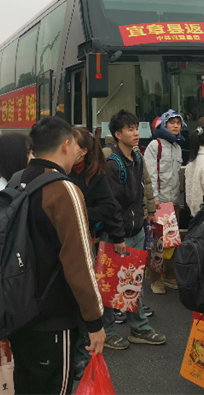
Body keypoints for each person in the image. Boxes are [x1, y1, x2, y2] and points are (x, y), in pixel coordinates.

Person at [10, 117, 105, 395]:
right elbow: (79, 262)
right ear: (65, 145)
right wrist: (94, 321)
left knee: (25, 384)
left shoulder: (17, 180)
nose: (78, 150)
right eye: (76, 144)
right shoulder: (64, 189)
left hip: (17, 310)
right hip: (53, 317)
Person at [103, 110, 167, 348]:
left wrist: (147, 214)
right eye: (129, 129)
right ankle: (108, 332)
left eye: (136, 128)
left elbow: (141, 190)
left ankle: (139, 328)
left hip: (136, 229)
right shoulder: (113, 163)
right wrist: (117, 235)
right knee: (110, 283)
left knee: (133, 282)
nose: (136, 133)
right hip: (117, 235)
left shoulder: (137, 158)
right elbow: (111, 204)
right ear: (117, 134)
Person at [70, 127, 123, 377]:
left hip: (84, 242)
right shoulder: (59, 169)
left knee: (84, 298)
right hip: (59, 243)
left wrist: (80, 213)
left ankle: (81, 354)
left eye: (71, 143)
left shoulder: (95, 175)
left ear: (83, 151)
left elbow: (110, 207)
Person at [143, 110, 184, 294]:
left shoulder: (177, 147)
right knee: (157, 242)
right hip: (159, 203)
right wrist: (154, 200)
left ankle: (168, 275)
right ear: (164, 124)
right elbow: (150, 175)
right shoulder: (155, 145)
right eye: (172, 122)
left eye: (178, 123)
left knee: (172, 242)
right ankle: (155, 278)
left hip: (173, 202)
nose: (176, 126)